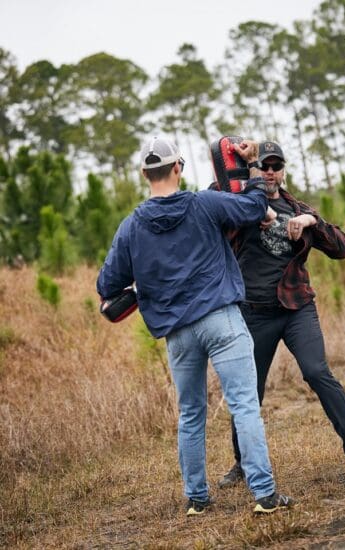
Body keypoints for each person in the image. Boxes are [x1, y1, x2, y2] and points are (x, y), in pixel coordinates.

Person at [97, 136, 293, 516]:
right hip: (222, 319)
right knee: (244, 405)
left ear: (143, 174)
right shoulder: (204, 204)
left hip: (178, 334)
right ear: (178, 168)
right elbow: (254, 207)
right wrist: (252, 168)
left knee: (190, 414)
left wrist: (142, 287)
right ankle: (265, 495)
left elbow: (107, 287)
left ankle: (198, 500)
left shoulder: (130, 227)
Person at [218, 141, 345, 489]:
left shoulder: (297, 208)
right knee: (247, 390)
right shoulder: (239, 204)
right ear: (257, 170)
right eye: (264, 166)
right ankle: (243, 463)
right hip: (254, 314)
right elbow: (216, 190)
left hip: (296, 308)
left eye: (276, 165)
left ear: (284, 169)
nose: (271, 171)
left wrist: (311, 221)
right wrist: (244, 166)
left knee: (317, 372)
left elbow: (342, 248)